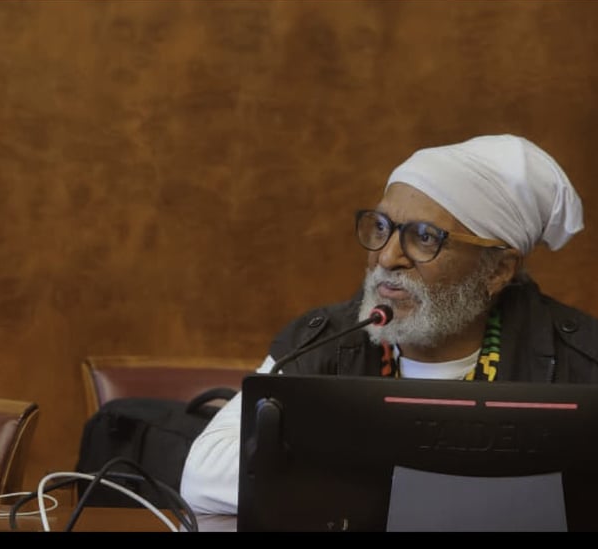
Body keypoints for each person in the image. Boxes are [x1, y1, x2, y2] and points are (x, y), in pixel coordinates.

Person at [180, 133, 598, 515]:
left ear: (497, 270)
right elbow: (203, 475)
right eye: (382, 228)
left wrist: (342, 477)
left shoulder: (580, 358)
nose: (386, 257)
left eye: (424, 237)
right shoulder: (326, 337)